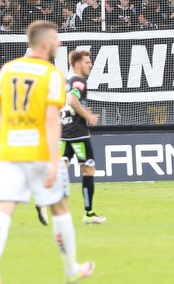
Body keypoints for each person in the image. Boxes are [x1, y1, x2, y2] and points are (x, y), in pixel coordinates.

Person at [0, 20, 95, 284]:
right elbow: (51, 120)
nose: (59, 44)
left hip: (9, 149)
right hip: (40, 150)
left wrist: (6, 139)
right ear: (45, 43)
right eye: (56, 39)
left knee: (3, 209)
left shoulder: (8, 69)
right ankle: (71, 270)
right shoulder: (51, 74)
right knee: (60, 207)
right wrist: (55, 159)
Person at [37, 49, 105, 226]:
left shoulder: (65, 81)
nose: (90, 64)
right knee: (88, 170)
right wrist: (89, 118)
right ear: (77, 64)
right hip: (77, 133)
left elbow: (67, 105)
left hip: (63, 130)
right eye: (87, 62)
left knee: (61, 169)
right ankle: (89, 213)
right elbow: (73, 101)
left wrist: (82, 113)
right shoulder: (79, 81)